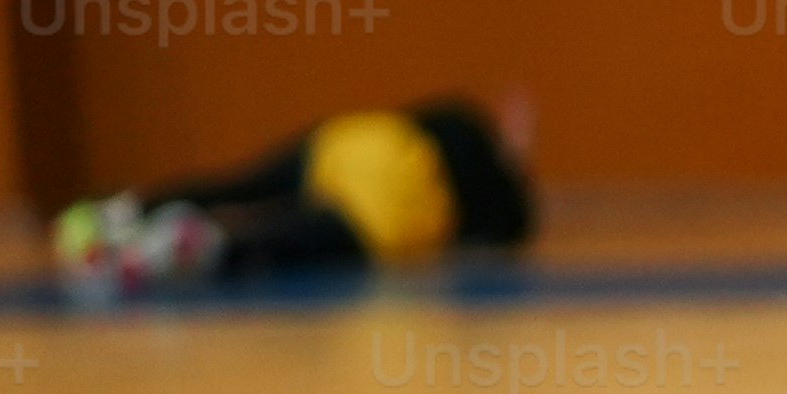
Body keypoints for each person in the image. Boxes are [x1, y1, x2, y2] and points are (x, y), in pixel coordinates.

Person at [47, 94, 539, 304]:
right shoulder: (496, 192)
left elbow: (431, 112)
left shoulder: (460, 119)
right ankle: (197, 248)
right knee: (292, 240)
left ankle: (123, 211)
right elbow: (514, 228)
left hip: (359, 144)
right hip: (396, 205)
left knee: (242, 185)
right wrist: (509, 167)